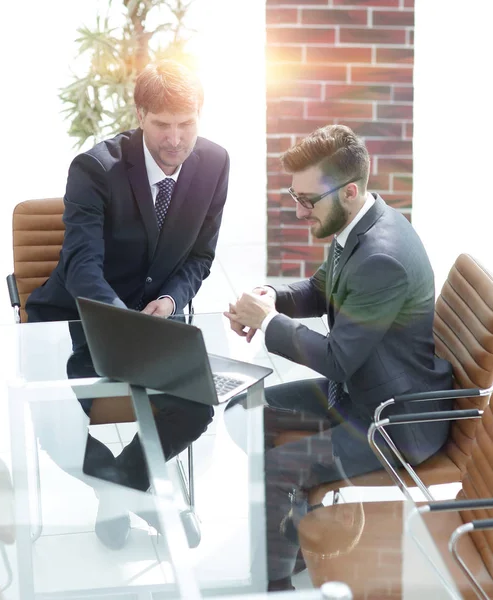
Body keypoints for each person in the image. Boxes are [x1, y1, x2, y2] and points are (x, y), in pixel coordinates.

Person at [224, 124, 453, 591]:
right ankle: (298, 538)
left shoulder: (381, 258)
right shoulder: (356, 224)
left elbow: (336, 359)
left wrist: (268, 322)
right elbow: (319, 289)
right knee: (246, 412)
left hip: (394, 421)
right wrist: (272, 296)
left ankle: (273, 584)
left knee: (278, 464)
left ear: (349, 191)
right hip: (360, 393)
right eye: (294, 195)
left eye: (308, 200)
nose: (298, 210)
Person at [26, 59, 230, 549]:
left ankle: (120, 491)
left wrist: (169, 298)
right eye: (162, 125)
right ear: (139, 114)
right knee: (56, 426)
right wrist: (125, 329)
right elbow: (81, 266)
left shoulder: (216, 163)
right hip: (76, 318)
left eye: (187, 124)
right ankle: (144, 496)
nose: (175, 139)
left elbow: (201, 256)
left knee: (196, 406)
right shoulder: (96, 169)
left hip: (153, 318)